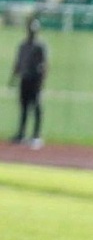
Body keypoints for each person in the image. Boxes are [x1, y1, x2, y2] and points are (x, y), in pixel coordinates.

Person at [8, 18, 47, 150]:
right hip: (25, 78)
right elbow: (18, 62)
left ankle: (36, 135)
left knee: (36, 107)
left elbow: (44, 65)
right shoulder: (23, 45)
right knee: (24, 107)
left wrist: (42, 81)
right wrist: (13, 78)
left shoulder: (40, 46)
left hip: (35, 79)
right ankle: (21, 134)